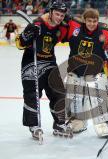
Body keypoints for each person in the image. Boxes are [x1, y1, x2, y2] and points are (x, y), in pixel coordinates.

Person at [15, 2, 73, 141]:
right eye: (57, 14)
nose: (59, 17)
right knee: (32, 94)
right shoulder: (37, 24)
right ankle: (34, 125)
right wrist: (27, 35)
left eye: (62, 15)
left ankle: (59, 123)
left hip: (49, 63)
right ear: (51, 12)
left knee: (59, 92)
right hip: (31, 63)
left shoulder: (61, 27)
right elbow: (19, 44)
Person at [64, 8, 108, 137]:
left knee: (98, 95)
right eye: (89, 21)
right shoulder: (74, 28)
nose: (92, 24)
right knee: (75, 97)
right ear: (84, 20)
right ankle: (77, 121)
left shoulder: (106, 31)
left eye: (95, 21)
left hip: (96, 71)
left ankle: (103, 122)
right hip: (76, 70)